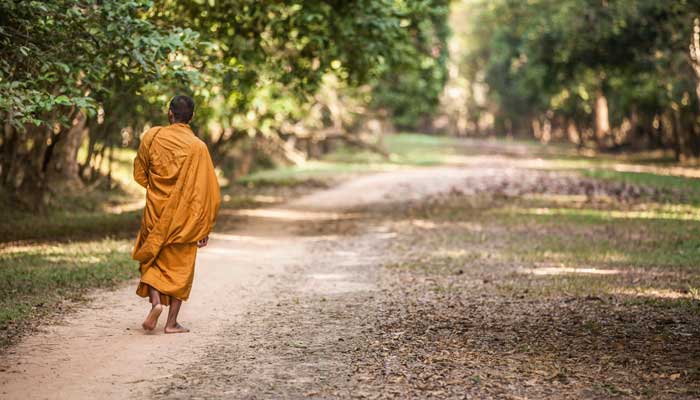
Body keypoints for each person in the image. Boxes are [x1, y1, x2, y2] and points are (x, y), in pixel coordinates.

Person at [132, 95, 221, 334]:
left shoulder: (152, 137)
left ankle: (156, 303)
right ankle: (171, 323)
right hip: (184, 219)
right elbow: (207, 190)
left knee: (153, 258)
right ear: (191, 117)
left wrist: (158, 189)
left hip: (155, 212)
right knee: (181, 268)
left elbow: (140, 174)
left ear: (170, 113)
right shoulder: (198, 148)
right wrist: (204, 227)